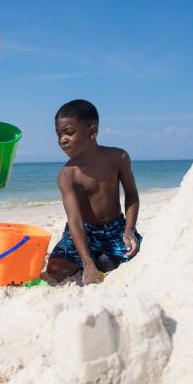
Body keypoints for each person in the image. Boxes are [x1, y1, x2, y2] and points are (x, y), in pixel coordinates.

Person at [46, 99, 142, 285]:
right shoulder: (67, 175)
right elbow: (74, 220)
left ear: (92, 131)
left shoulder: (118, 157)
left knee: (122, 257)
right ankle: (89, 260)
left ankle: (100, 260)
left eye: (69, 133)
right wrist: (87, 262)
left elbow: (131, 194)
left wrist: (129, 229)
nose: (62, 140)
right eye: (59, 134)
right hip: (84, 231)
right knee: (55, 268)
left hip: (116, 229)